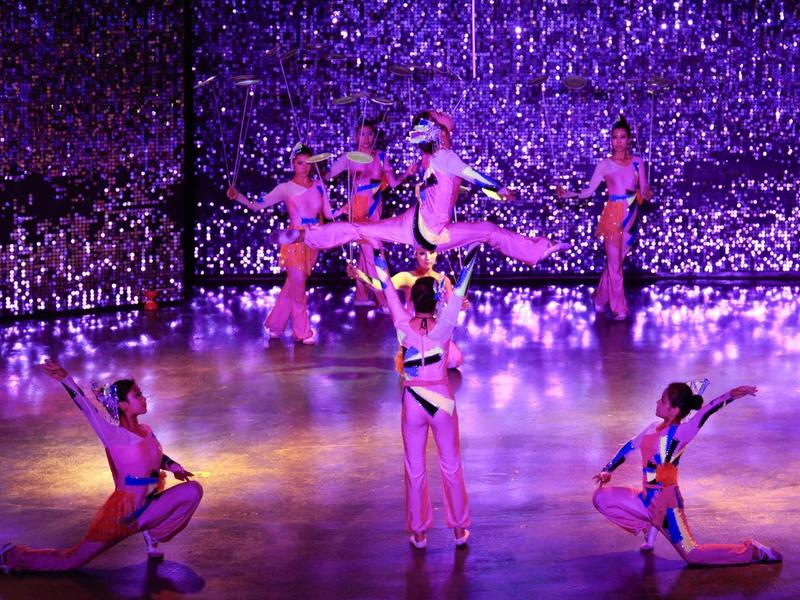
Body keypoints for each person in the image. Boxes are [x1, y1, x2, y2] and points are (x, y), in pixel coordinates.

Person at [274, 111, 569, 266]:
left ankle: (302, 235)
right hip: (431, 233)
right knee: (489, 231)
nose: (446, 119)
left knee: (358, 229)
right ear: (438, 131)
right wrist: (500, 188)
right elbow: (473, 174)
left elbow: (451, 179)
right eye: (441, 119)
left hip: (410, 223)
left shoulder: (432, 157)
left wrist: (490, 191)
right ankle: (537, 251)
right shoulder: (443, 156)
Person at [0, 359, 202, 572]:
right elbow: (87, 408)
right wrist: (65, 378)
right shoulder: (114, 436)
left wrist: (175, 467)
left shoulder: (146, 430)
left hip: (148, 506)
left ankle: (152, 534)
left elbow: (156, 456)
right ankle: (12, 556)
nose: (144, 399)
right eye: (137, 395)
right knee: (70, 561)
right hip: (124, 516)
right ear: (123, 405)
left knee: (193, 490)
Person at [592, 380, 782, 565]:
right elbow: (630, 446)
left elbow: (705, 412)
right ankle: (649, 526)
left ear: (674, 410)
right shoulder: (651, 428)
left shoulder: (682, 432)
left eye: (663, 400)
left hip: (666, 506)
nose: (658, 402)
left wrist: (730, 395)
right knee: (601, 498)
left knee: (693, 555)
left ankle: (753, 551)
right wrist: (607, 470)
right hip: (645, 499)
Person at [373, 244, 480, 548]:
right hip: (442, 401)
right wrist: (471, 259)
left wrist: (379, 258)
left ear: (414, 301)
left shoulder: (403, 325)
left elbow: (388, 292)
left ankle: (419, 532)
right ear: (435, 302)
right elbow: (459, 291)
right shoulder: (444, 324)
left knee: (415, 467)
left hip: (413, 402)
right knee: (451, 464)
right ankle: (459, 530)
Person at [228, 143, 336, 344]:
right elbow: (256, 205)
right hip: (294, 241)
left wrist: (346, 209)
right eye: (299, 163)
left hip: (313, 242)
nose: (304, 167)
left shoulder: (320, 185)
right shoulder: (285, 188)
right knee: (298, 288)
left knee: (292, 286)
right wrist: (238, 196)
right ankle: (303, 332)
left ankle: (276, 326)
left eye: (308, 163)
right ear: (292, 164)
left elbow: (329, 214)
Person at [557, 116, 652, 320]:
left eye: (622, 137)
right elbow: (588, 192)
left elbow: (643, 189)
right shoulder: (604, 165)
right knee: (615, 266)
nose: (618, 141)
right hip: (612, 216)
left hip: (632, 216)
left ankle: (600, 299)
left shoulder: (637, 162)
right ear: (611, 140)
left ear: (629, 140)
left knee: (615, 264)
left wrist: (646, 193)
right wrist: (569, 194)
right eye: (615, 138)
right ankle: (619, 308)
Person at [327, 119, 415, 307]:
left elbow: (392, 183)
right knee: (372, 251)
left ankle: (361, 296)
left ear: (374, 136)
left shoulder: (381, 156)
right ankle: (384, 300)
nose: (366, 138)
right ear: (355, 136)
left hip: (375, 208)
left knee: (366, 252)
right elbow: (328, 175)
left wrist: (407, 173)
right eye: (362, 134)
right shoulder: (349, 158)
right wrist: (315, 172)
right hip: (357, 210)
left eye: (369, 134)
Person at [347, 246, 465, 368]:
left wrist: (461, 304)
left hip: (435, 332)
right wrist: (360, 275)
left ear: (436, 254)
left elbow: (452, 306)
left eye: (431, 252)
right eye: (422, 253)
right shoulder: (407, 277)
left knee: (456, 360)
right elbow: (381, 286)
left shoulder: (443, 280)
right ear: (416, 255)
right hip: (413, 333)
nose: (427, 257)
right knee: (419, 364)